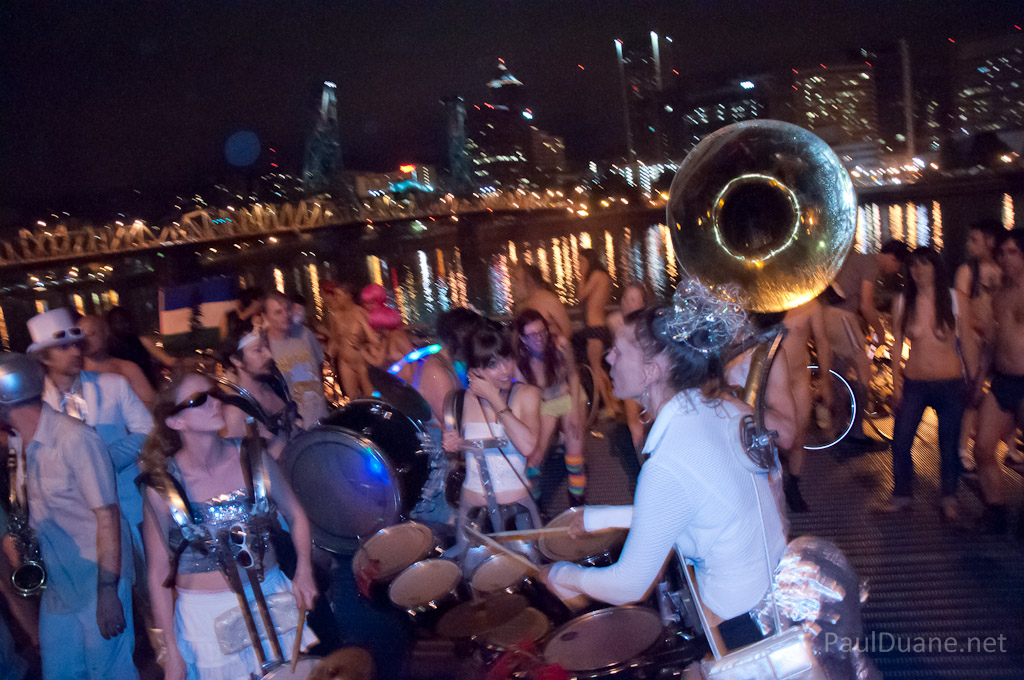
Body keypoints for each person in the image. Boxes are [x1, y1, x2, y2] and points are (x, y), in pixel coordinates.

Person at [542, 281, 785, 650]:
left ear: (651, 371)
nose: (608, 359)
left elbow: (629, 585)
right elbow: (684, 505)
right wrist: (598, 518)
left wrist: (563, 574)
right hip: (774, 589)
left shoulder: (669, 463)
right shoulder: (722, 408)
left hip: (741, 624)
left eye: (619, 351)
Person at [140, 373, 318, 680]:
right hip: (205, 616)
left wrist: (304, 570)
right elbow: (157, 574)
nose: (214, 402)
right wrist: (171, 650)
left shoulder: (254, 457)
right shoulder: (161, 487)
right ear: (175, 422)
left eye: (213, 393)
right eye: (199, 400)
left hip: (270, 595)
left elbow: (296, 514)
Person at [0, 353, 137, 679]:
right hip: (58, 585)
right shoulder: (18, 445)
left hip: (97, 581)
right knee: (59, 673)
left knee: (110, 673)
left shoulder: (75, 439)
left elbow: (108, 516)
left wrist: (108, 591)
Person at [28, 308, 154, 561]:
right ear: (45, 357)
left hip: (125, 506)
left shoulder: (113, 384)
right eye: (64, 347)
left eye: (76, 344)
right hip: (69, 521)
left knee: (141, 576)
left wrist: (106, 458)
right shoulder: (34, 404)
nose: (76, 352)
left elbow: (148, 430)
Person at [882, 247, 976, 520]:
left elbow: (968, 343)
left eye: (925, 264)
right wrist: (896, 385)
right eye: (913, 265)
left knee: (949, 444)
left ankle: (949, 497)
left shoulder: (955, 300)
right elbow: (897, 344)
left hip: (950, 383)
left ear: (936, 267)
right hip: (915, 383)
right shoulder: (903, 302)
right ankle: (902, 495)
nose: (918, 270)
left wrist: (974, 381)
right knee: (901, 441)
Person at [442, 321, 543, 538]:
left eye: (507, 359)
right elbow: (459, 458)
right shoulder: (461, 400)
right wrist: (454, 446)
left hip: (516, 514)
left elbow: (527, 446)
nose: (505, 370)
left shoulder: (527, 395)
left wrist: (493, 398)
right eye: (493, 365)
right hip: (473, 514)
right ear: (475, 371)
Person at [825, 241, 907, 453]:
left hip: (828, 317)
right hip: (842, 319)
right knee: (864, 371)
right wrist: (880, 331)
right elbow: (866, 305)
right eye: (897, 266)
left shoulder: (859, 259)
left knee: (840, 375)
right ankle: (856, 434)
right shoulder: (871, 264)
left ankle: (840, 431)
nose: (895, 271)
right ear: (892, 258)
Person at [971, 230, 1024, 533]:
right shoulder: (1000, 295)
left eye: (1012, 252)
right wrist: (980, 378)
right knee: (982, 446)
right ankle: (996, 510)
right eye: (1002, 253)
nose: (1005, 259)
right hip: (1003, 380)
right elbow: (993, 341)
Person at [514, 309, 587, 506]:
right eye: (532, 335)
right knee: (534, 459)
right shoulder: (520, 362)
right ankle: (535, 505)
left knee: (574, 455)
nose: (539, 338)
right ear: (523, 338)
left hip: (568, 395)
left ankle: (577, 503)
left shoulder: (560, 345)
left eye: (542, 332)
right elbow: (523, 396)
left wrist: (575, 411)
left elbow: (573, 376)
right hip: (544, 403)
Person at [954, 219, 1004, 470]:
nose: (969, 245)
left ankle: (1010, 447)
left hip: (999, 341)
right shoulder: (967, 272)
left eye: (975, 240)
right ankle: (962, 449)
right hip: (974, 338)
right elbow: (962, 315)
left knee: (1005, 392)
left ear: (991, 241)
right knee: (972, 393)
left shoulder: (1004, 270)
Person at [778, 299, 832, 512]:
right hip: (771, 380)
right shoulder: (763, 301)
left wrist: (826, 381)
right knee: (768, 437)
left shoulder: (811, 305)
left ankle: (793, 484)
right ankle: (768, 484)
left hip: (798, 379)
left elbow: (822, 341)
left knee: (799, 436)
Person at [219, 326, 295, 452]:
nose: (269, 355)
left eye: (267, 346)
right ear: (236, 360)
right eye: (258, 350)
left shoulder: (275, 385)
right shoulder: (235, 413)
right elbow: (233, 461)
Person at [264, 291, 328, 428]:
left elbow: (319, 364)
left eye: (288, 309)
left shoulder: (305, 333)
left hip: (321, 418)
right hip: (294, 426)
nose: (286, 315)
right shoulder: (264, 346)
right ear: (265, 316)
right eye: (278, 312)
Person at [609, 282, 653, 456]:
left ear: (643, 304)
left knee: (645, 420)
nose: (626, 303)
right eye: (625, 298)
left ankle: (647, 457)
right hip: (630, 379)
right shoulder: (619, 321)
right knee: (635, 420)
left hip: (643, 379)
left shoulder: (646, 325)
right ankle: (643, 459)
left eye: (632, 300)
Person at [79, 314, 156, 409]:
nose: (85, 340)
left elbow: (151, 403)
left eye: (91, 334)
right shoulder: (75, 371)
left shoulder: (127, 368)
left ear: (105, 333)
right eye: (81, 335)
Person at [576, 248, 616, 416]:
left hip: (594, 329)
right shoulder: (604, 276)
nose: (579, 265)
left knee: (596, 368)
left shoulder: (596, 276)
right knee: (599, 367)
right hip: (600, 327)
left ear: (589, 261)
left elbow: (581, 295)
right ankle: (613, 402)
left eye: (581, 261)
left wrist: (582, 275)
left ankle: (609, 407)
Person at [323, 281, 377, 399]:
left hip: (362, 362)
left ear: (348, 295)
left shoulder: (361, 312)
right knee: (352, 399)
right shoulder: (335, 315)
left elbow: (375, 337)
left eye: (338, 295)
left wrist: (362, 341)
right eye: (334, 295)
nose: (335, 298)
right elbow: (334, 340)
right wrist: (328, 360)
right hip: (345, 363)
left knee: (371, 397)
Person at [106, 306, 164, 387]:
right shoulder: (109, 349)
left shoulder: (140, 342)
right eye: (116, 321)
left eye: (123, 321)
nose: (121, 324)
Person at [360, 284, 414, 369]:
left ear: (379, 301)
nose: (368, 306)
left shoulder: (394, 331)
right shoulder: (365, 316)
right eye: (366, 303)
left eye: (371, 303)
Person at [513, 264, 573, 341]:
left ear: (529, 282)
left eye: (517, 280)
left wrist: (553, 346)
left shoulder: (549, 300)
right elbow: (517, 334)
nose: (514, 284)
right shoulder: (521, 304)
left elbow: (567, 330)